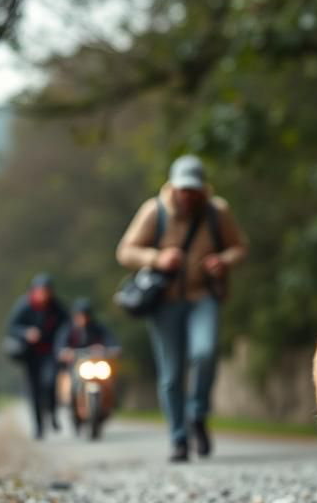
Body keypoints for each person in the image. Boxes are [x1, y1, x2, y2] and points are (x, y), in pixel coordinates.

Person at [116, 154, 248, 461]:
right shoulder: (154, 211)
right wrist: (155, 259)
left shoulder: (218, 212)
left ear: (202, 189)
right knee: (171, 374)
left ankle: (198, 414)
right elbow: (125, 251)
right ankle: (178, 438)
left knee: (204, 353)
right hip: (165, 303)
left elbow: (240, 247)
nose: (187, 195)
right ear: (172, 188)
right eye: (182, 189)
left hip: (203, 296)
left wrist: (223, 261)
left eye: (193, 189)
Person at [6, 273, 69, 439]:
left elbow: (67, 325)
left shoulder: (56, 306)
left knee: (50, 383)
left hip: (50, 353)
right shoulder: (24, 305)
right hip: (30, 354)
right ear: (34, 291)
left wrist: (62, 345)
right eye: (41, 291)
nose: (44, 295)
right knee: (34, 391)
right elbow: (11, 327)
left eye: (47, 291)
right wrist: (26, 333)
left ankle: (53, 413)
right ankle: (39, 427)